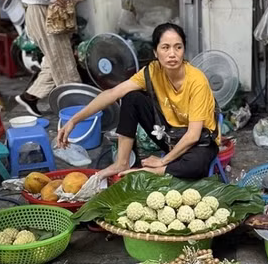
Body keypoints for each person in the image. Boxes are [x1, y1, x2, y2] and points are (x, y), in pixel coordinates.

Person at [57, 23, 219, 180]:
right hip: (169, 136)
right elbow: (113, 93)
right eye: (165, 47)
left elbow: (193, 136)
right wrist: (74, 120)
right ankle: (121, 163)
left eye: (178, 47)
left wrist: (163, 160)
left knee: (196, 165)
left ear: (183, 50)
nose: (172, 54)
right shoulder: (152, 71)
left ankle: (155, 171)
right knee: (131, 97)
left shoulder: (197, 80)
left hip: (200, 142)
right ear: (155, 52)